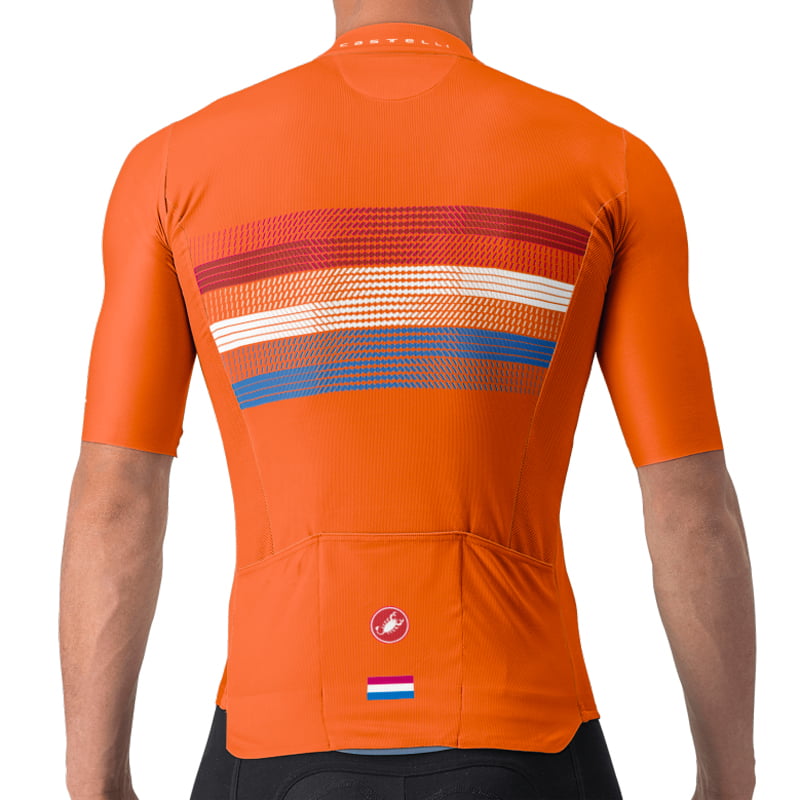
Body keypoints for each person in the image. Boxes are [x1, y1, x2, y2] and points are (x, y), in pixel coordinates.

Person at [59, 1, 757, 798]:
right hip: (526, 730)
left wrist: (95, 782)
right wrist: (728, 780)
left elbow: (116, 497)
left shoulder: (171, 170)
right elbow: (692, 506)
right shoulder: (610, 165)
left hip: (275, 734)